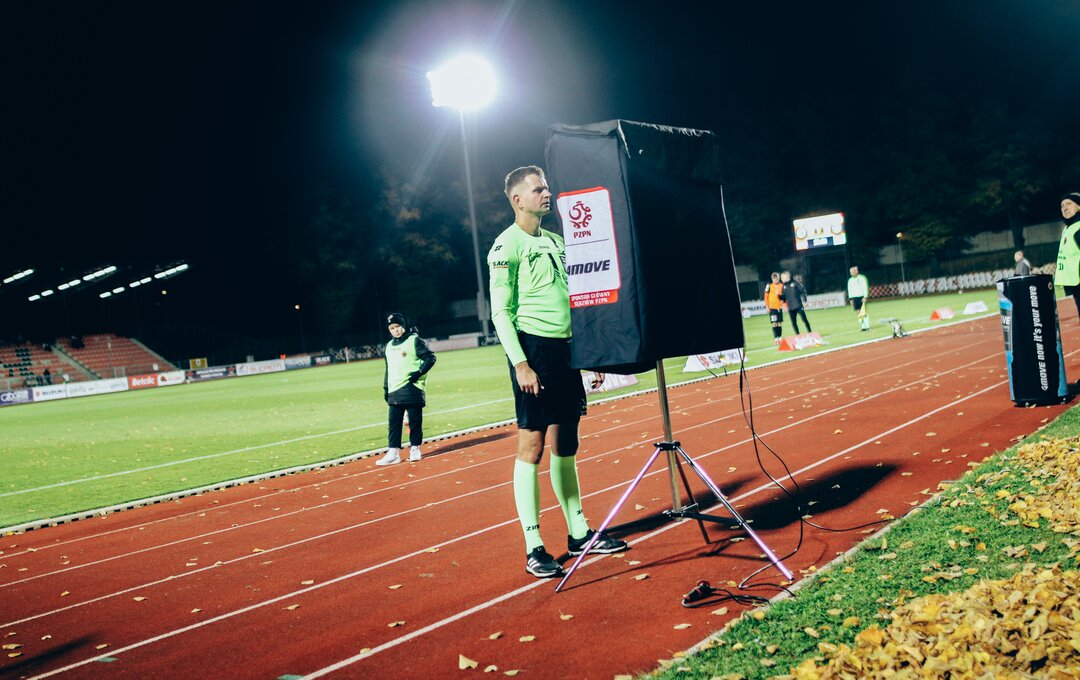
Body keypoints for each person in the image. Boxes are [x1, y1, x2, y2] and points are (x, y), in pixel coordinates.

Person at [487, 165, 629, 579]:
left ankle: (579, 532)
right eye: (538, 189)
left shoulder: (556, 241)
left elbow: (576, 302)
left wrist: (590, 354)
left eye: (546, 187)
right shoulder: (505, 245)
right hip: (534, 350)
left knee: (567, 443)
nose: (547, 193)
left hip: (567, 350)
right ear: (518, 199)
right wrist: (521, 363)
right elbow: (500, 311)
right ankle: (534, 546)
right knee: (531, 446)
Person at [375, 312, 436, 466]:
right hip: (394, 389)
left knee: (414, 421)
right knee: (394, 423)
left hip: (412, 387)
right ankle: (393, 453)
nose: (395, 330)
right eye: (392, 328)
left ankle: (415, 449)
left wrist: (418, 373)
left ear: (403, 326)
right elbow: (388, 369)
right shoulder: (389, 346)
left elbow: (430, 358)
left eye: (397, 326)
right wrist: (385, 388)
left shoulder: (414, 340)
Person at [1054, 192, 1080, 319]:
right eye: (1062, 206)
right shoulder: (1068, 228)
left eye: (1069, 203)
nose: (1065, 207)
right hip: (1075, 283)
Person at [847, 266, 871, 331]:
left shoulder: (862, 278)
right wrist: (850, 299)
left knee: (864, 312)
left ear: (857, 271)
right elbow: (849, 290)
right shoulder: (850, 280)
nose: (851, 273)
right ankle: (863, 327)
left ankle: (867, 326)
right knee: (858, 312)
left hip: (861, 297)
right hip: (854, 298)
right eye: (851, 272)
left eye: (853, 271)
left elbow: (865, 287)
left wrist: (865, 297)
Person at [763, 272, 784, 344]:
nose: (775, 280)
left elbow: (783, 296)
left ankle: (780, 338)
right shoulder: (769, 286)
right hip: (772, 308)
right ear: (772, 279)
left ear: (778, 278)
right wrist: (767, 306)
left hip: (779, 307)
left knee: (779, 323)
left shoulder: (781, 285)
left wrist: (784, 303)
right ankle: (776, 339)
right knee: (774, 323)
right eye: (774, 279)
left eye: (777, 279)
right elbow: (766, 297)